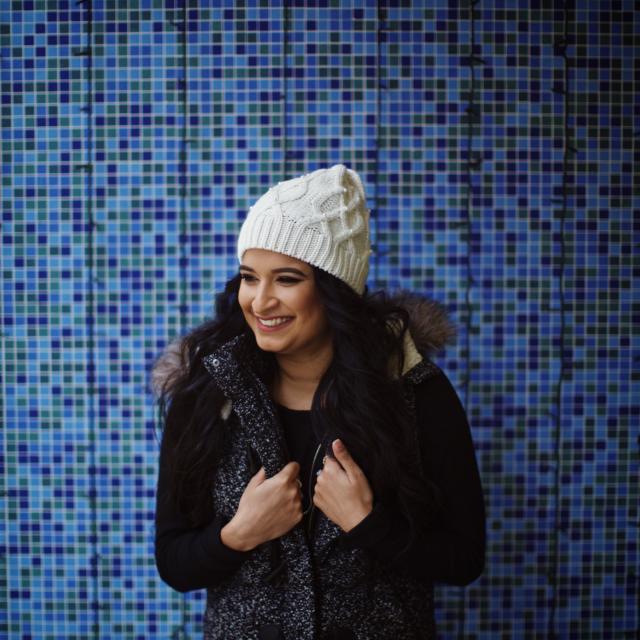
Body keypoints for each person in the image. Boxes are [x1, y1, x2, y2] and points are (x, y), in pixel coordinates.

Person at [152, 164, 485, 640]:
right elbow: (174, 562)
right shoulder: (207, 395)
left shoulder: (415, 394)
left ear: (334, 291)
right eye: (249, 277)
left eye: (286, 279)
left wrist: (370, 525)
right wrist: (238, 534)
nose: (260, 301)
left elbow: (464, 560)